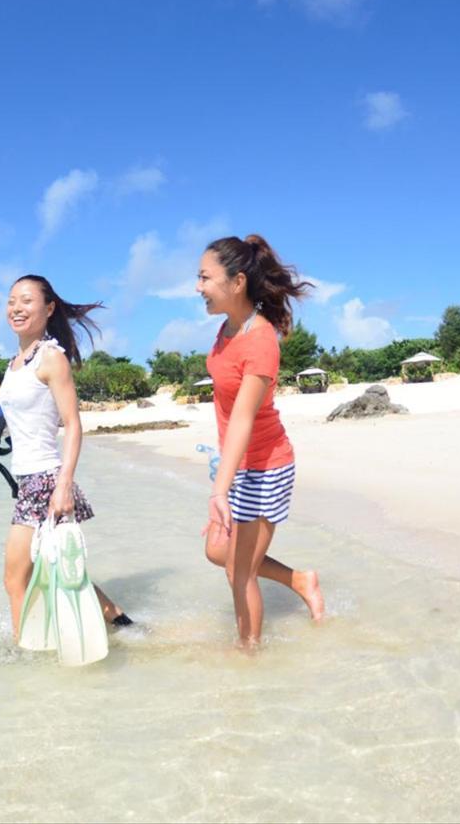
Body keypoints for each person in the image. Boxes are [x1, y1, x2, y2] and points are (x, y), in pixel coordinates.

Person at [0, 275, 131, 641]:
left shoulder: (51, 358)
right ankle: (123, 625)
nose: (16, 308)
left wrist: (63, 487)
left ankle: (22, 651)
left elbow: (73, 425)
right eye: (12, 301)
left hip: (46, 480)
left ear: (49, 308)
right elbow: (15, 413)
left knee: (16, 579)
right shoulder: (16, 364)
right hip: (29, 480)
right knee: (60, 571)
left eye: (26, 301)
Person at [196, 235, 325, 648]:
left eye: (204, 278)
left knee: (240, 572)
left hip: (267, 466)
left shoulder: (260, 340)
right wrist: (225, 477)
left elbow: (243, 420)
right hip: (240, 465)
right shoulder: (226, 330)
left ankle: (248, 659)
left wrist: (221, 490)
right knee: (219, 552)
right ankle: (299, 580)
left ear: (237, 283)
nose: (197, 287)